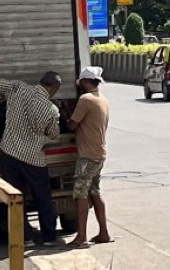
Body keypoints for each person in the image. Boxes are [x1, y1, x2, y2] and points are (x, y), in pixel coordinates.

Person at [0, 72, 63, 248]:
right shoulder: (51, 109)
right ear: (54, 88)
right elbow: (54, 135)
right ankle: (49, 238)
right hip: (34, 159)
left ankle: (25, 238)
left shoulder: (18, 88)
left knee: (15, 196)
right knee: (43, 197)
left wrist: (0, 100)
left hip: (9, 153)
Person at [65, 66, 112, 249]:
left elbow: (72, 125)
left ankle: (81, 236)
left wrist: (64, 113)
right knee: (95, 192)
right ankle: (104, 233)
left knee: (81, 194)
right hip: (99, 154)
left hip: (86, 156)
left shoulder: (85, 99)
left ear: (85, 81)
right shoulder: (103, 99)